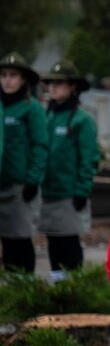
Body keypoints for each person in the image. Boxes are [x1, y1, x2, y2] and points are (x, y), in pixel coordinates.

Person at [39, 60, 99, 282]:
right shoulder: (47, 117)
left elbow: (89, 158)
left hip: (70, 193)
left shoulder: (82, 120)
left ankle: (75, 285)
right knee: (53, 239)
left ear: (73, 86)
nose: (53, 88)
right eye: (50, 84)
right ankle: (58, 285)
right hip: (47, 191)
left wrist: (82, 189)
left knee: (69, 241)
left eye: (59, 83)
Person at [0, 52, 48, 273]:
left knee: (19, 239)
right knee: (6, 243)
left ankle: (24, 287)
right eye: (3, 75)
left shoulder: (31, 108)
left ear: (23, 80)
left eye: (13, 75)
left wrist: (33, 179)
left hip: (20, 187)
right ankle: (10, 292)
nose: (7, 80)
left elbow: (40, 145)